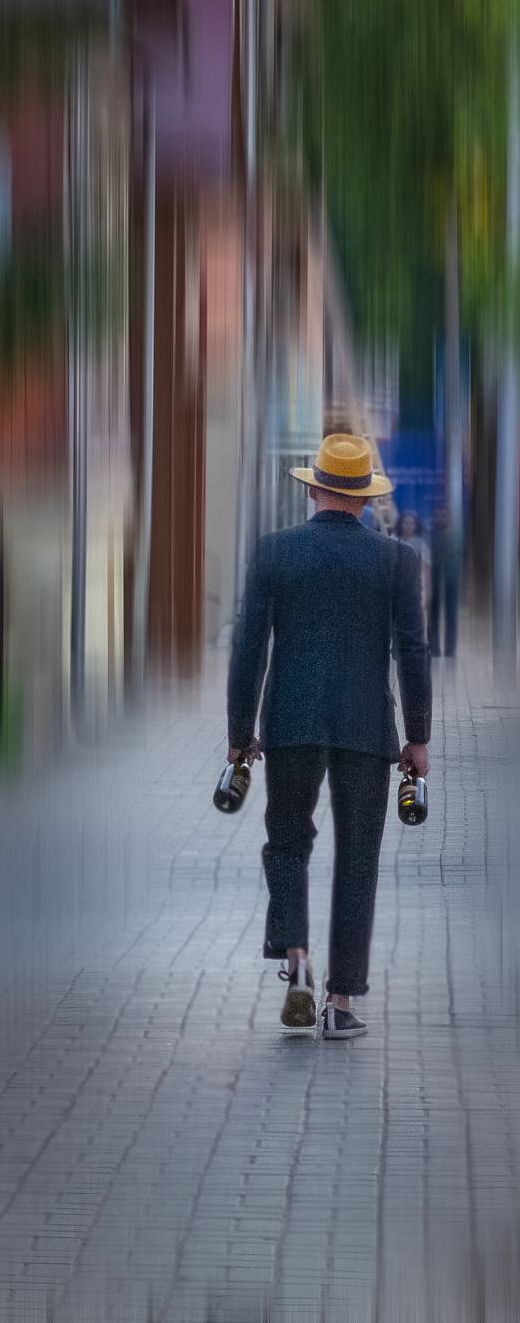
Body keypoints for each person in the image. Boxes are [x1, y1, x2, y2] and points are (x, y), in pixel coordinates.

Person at [227, 434, 432, 1040]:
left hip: (291, 722)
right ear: (364, 499)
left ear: (315, 490)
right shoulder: (397, 560)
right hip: (366, 725)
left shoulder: (274, 553)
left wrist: (240, 734)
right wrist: (417, 737)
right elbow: (413, 652)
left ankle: (296, 963)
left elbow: (248, 648)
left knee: (288, 842)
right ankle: (340, 1004)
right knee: (359, 860)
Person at [428, 504, 460, 658]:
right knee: (433, 616)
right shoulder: (429, 535)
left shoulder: (456, 535)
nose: (440, 519)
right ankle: (434, 649)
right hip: (433, 581)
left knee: (451, 616)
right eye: (437, 516)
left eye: (443, 516)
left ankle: (450, 650)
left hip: (451, 580)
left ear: (449, 518)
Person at [392, 510, 431, 621]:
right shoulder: (393, 540)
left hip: (415, 588)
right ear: (400, 523)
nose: (409, 526)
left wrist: (428, 591)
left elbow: (426, 567)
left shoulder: (419, 542)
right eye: (406, 523)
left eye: (412, 523)